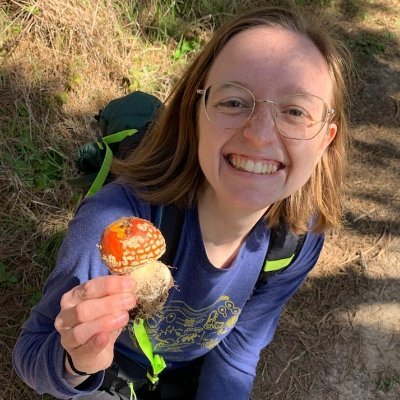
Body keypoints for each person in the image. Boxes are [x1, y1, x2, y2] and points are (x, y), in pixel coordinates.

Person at [13, 5, 351, 400]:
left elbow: (238, 352)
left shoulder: (297, 238)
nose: (259, 135)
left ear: (326, 139)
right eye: (234, 102)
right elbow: (32, 354)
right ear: (196, 114)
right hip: (111, 374)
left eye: (296, 111)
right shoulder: (116, 225)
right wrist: (77, 361)